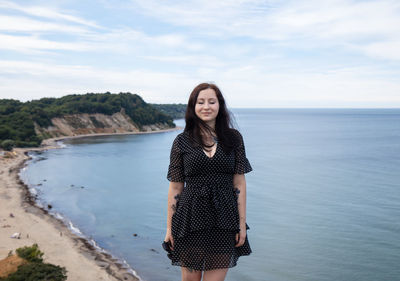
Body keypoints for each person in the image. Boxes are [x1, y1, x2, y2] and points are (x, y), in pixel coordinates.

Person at [164, 82, 252, 281]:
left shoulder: (234, 138)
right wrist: (169, 228)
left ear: (219, 106)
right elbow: (176, 187)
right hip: (189, 220)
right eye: (200, 102)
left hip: (224, 220)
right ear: (193, 107)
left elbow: (239, 184)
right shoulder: (181, 141)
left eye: (211, 102)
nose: (206, 106)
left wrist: (241, 224)